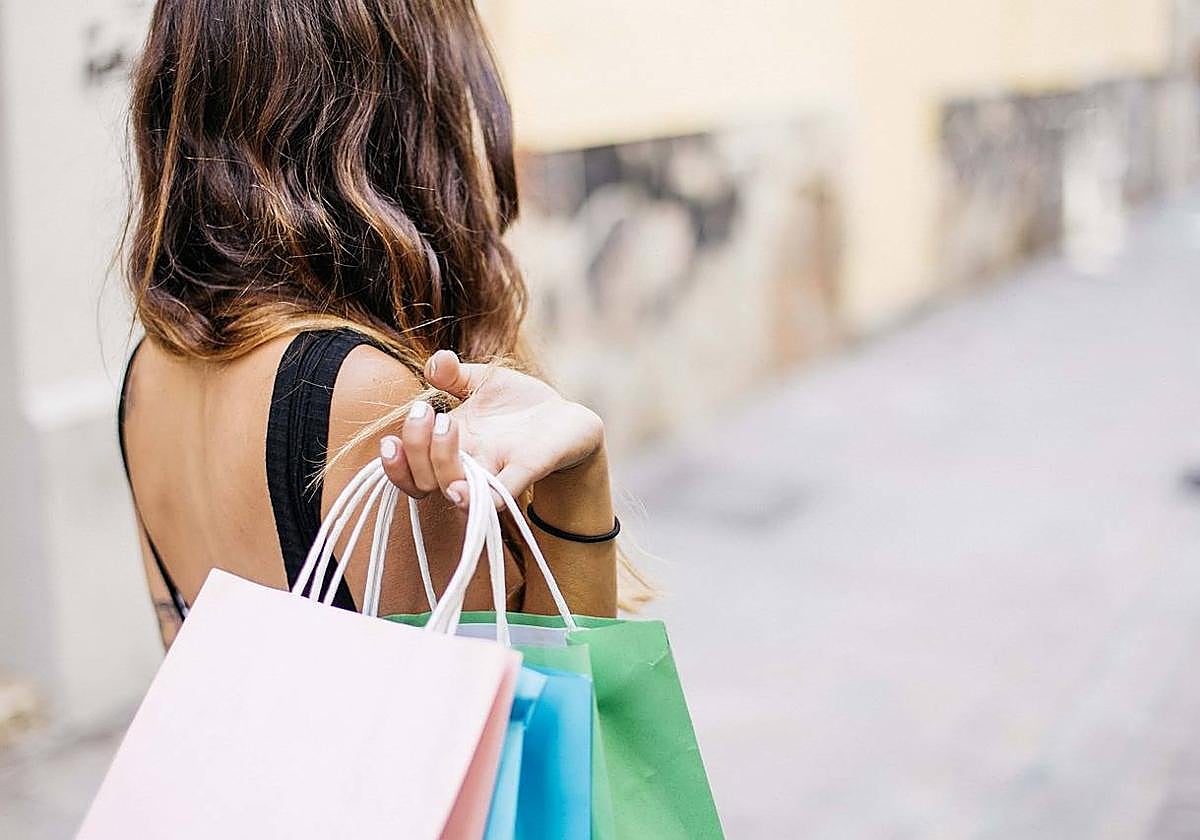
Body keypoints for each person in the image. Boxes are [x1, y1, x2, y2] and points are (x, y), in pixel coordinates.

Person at [117, 0, 622, 648]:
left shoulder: (148, 372)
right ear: (411, 113)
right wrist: (580, 480)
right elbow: (554, 695)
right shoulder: (365, 394)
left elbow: (185, 654)